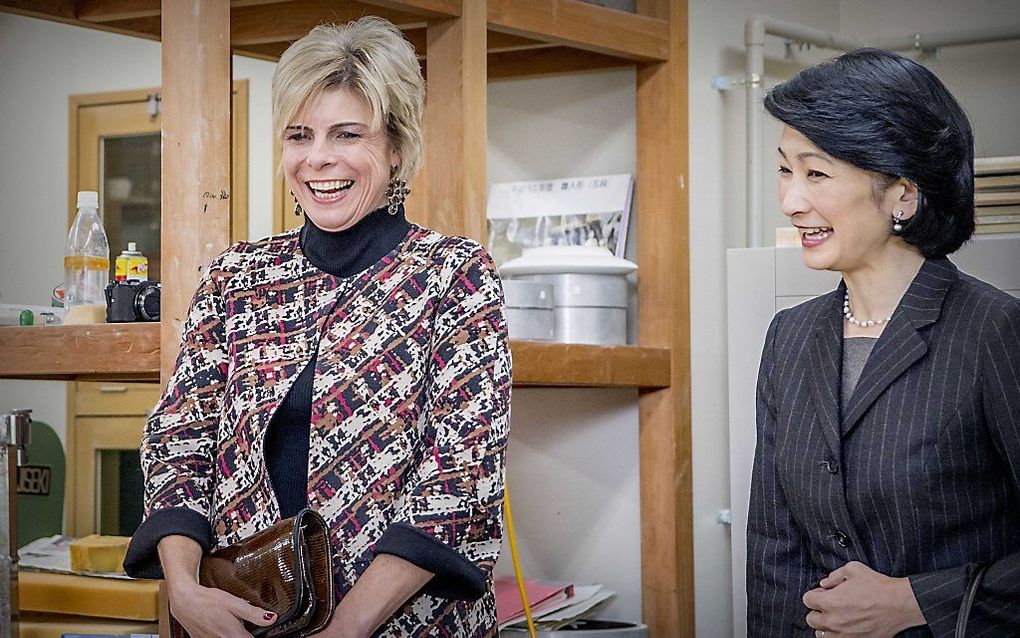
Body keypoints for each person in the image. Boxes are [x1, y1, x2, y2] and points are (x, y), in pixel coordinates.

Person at [123, 17, 512, 638]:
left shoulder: (453, 277)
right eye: (299, 136)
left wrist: (348, 627)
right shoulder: (237, 277)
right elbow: (179, 441)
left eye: (347, 134)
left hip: (402, 626)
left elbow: (460, 484)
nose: (318, 158)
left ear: (396, 149)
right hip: (237, 617)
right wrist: (185, 592)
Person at [746, 49, 1020, 637]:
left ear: (902, 193)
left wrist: (917, 602)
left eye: (816, 173)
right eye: (784, 170)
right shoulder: (788, 339)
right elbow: (774, 551)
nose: (792, 200)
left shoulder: (994, 332)